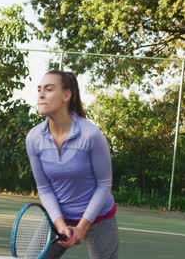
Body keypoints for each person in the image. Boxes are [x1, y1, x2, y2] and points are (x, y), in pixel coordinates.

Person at [25, 70, 118, 259]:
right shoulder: (34, 138)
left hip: (99, 217)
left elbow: (104, 184)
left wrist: (82, 227)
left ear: (66, 95)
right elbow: (44, 187)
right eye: (39, 89)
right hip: (59, 217)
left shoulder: (90, 135)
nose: (41, 94)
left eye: (49, 89)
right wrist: (59, 224)